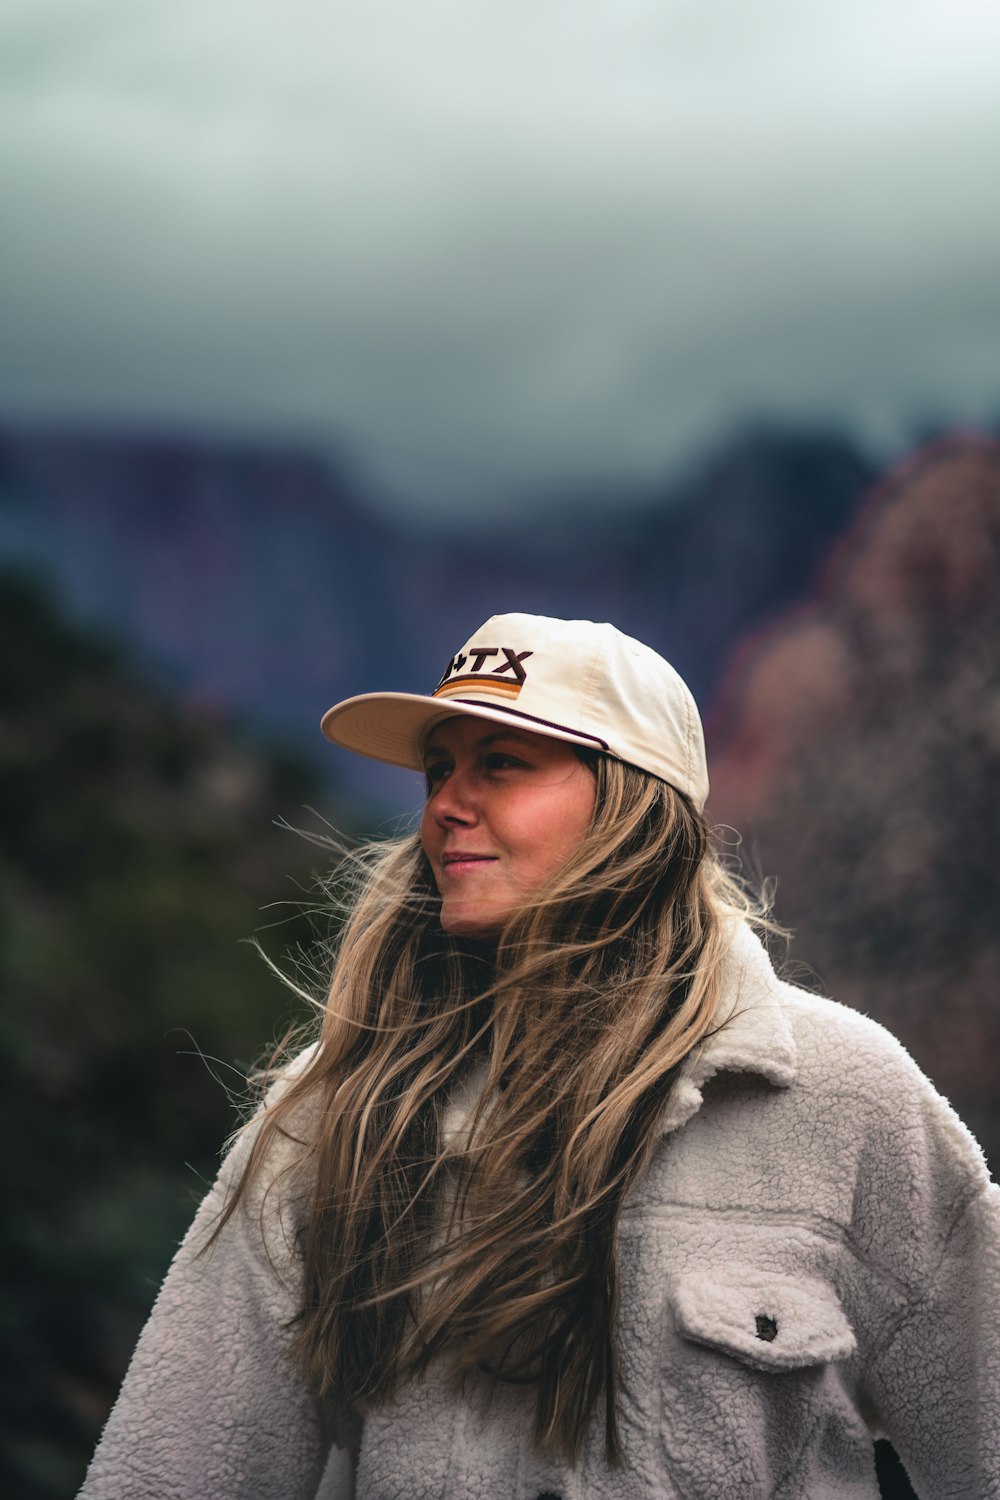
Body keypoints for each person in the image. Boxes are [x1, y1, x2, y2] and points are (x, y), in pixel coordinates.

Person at [79, 613, 1000, 1499]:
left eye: (502, 764)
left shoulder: (845, 1099)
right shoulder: (333, 1114)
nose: (445, 803)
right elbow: (169, 1470)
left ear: (633, 803)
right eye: (439, 770)